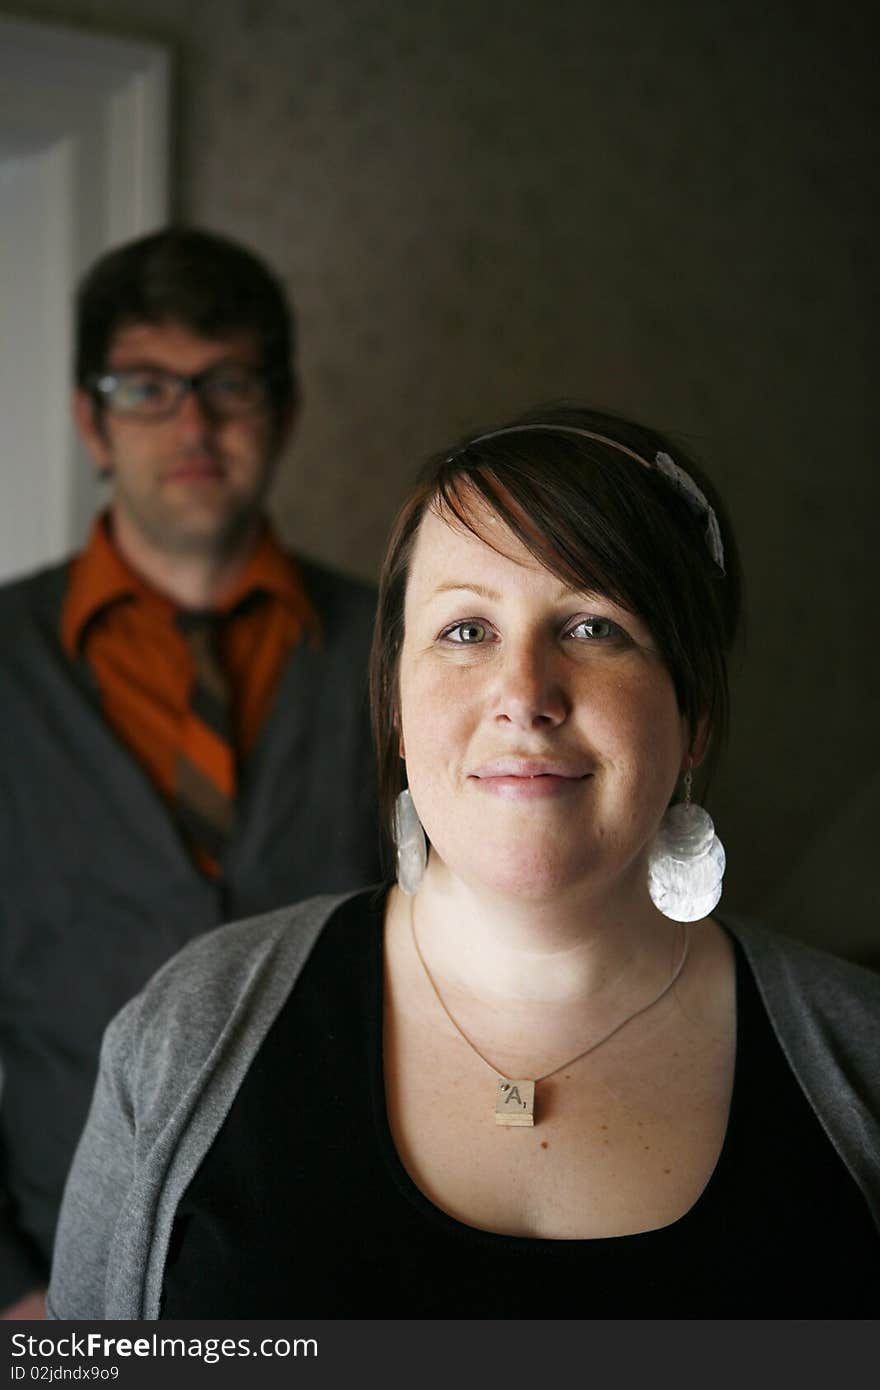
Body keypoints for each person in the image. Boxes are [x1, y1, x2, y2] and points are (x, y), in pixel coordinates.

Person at [47, 405, 879, 1319]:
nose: (524, 695)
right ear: (397, 706)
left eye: (595, 627)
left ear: (696, 720)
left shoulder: (861, 1057)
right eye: (466, 631)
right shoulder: (188, 1030)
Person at [0, 228, 381, 1318]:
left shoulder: (409, 650)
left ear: (286, 410)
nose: (193, 423)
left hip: (341, 1269)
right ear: (92, 419)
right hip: (63, 1275)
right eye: (148, 386)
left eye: (229, 384)